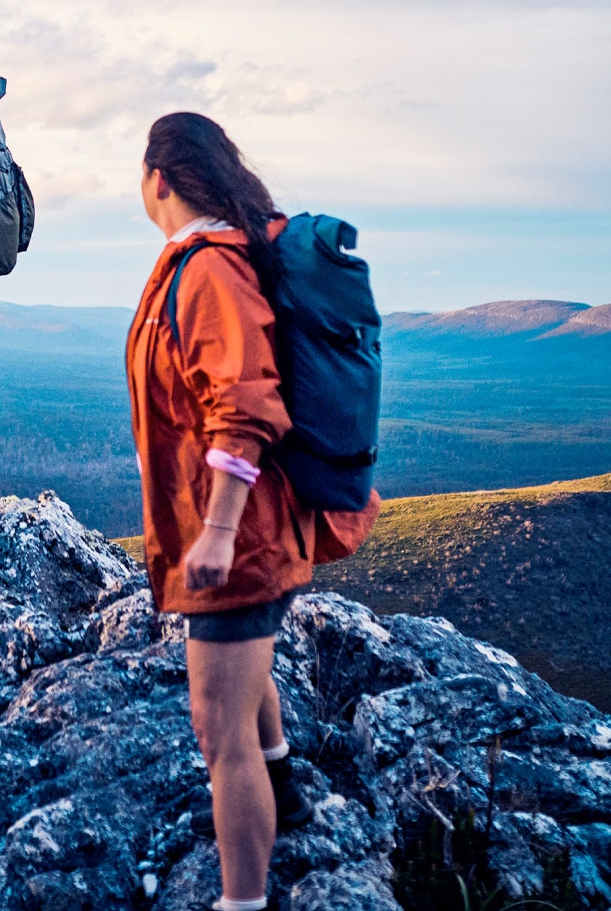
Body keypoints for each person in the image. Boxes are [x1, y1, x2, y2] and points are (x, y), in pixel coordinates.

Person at [127, 112, 379, 911]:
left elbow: (244, 405)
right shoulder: (212, 258)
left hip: (239, 539)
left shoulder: (207, 271)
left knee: (216, 730)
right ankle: (285, 787)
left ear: (157, 180)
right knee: (248, 690)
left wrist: (218, 532)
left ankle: (244, 901)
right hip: (250, 530)